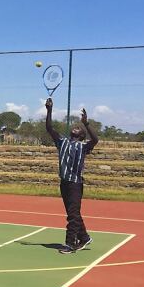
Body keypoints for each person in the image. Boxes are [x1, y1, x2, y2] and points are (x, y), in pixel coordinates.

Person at [45, 98, 99, 254]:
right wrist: (49, 110)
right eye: (75, 127)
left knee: (73, 215)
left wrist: (86, 123)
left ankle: (70, 243)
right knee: (72, 213)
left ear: (82, 135)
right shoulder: (62, 141)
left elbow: (96, 139)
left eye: (79, 128)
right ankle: (84, 237)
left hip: (75, 184)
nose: (76, 127)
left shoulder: (84, 146)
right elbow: (49, 128)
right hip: (64, 183)